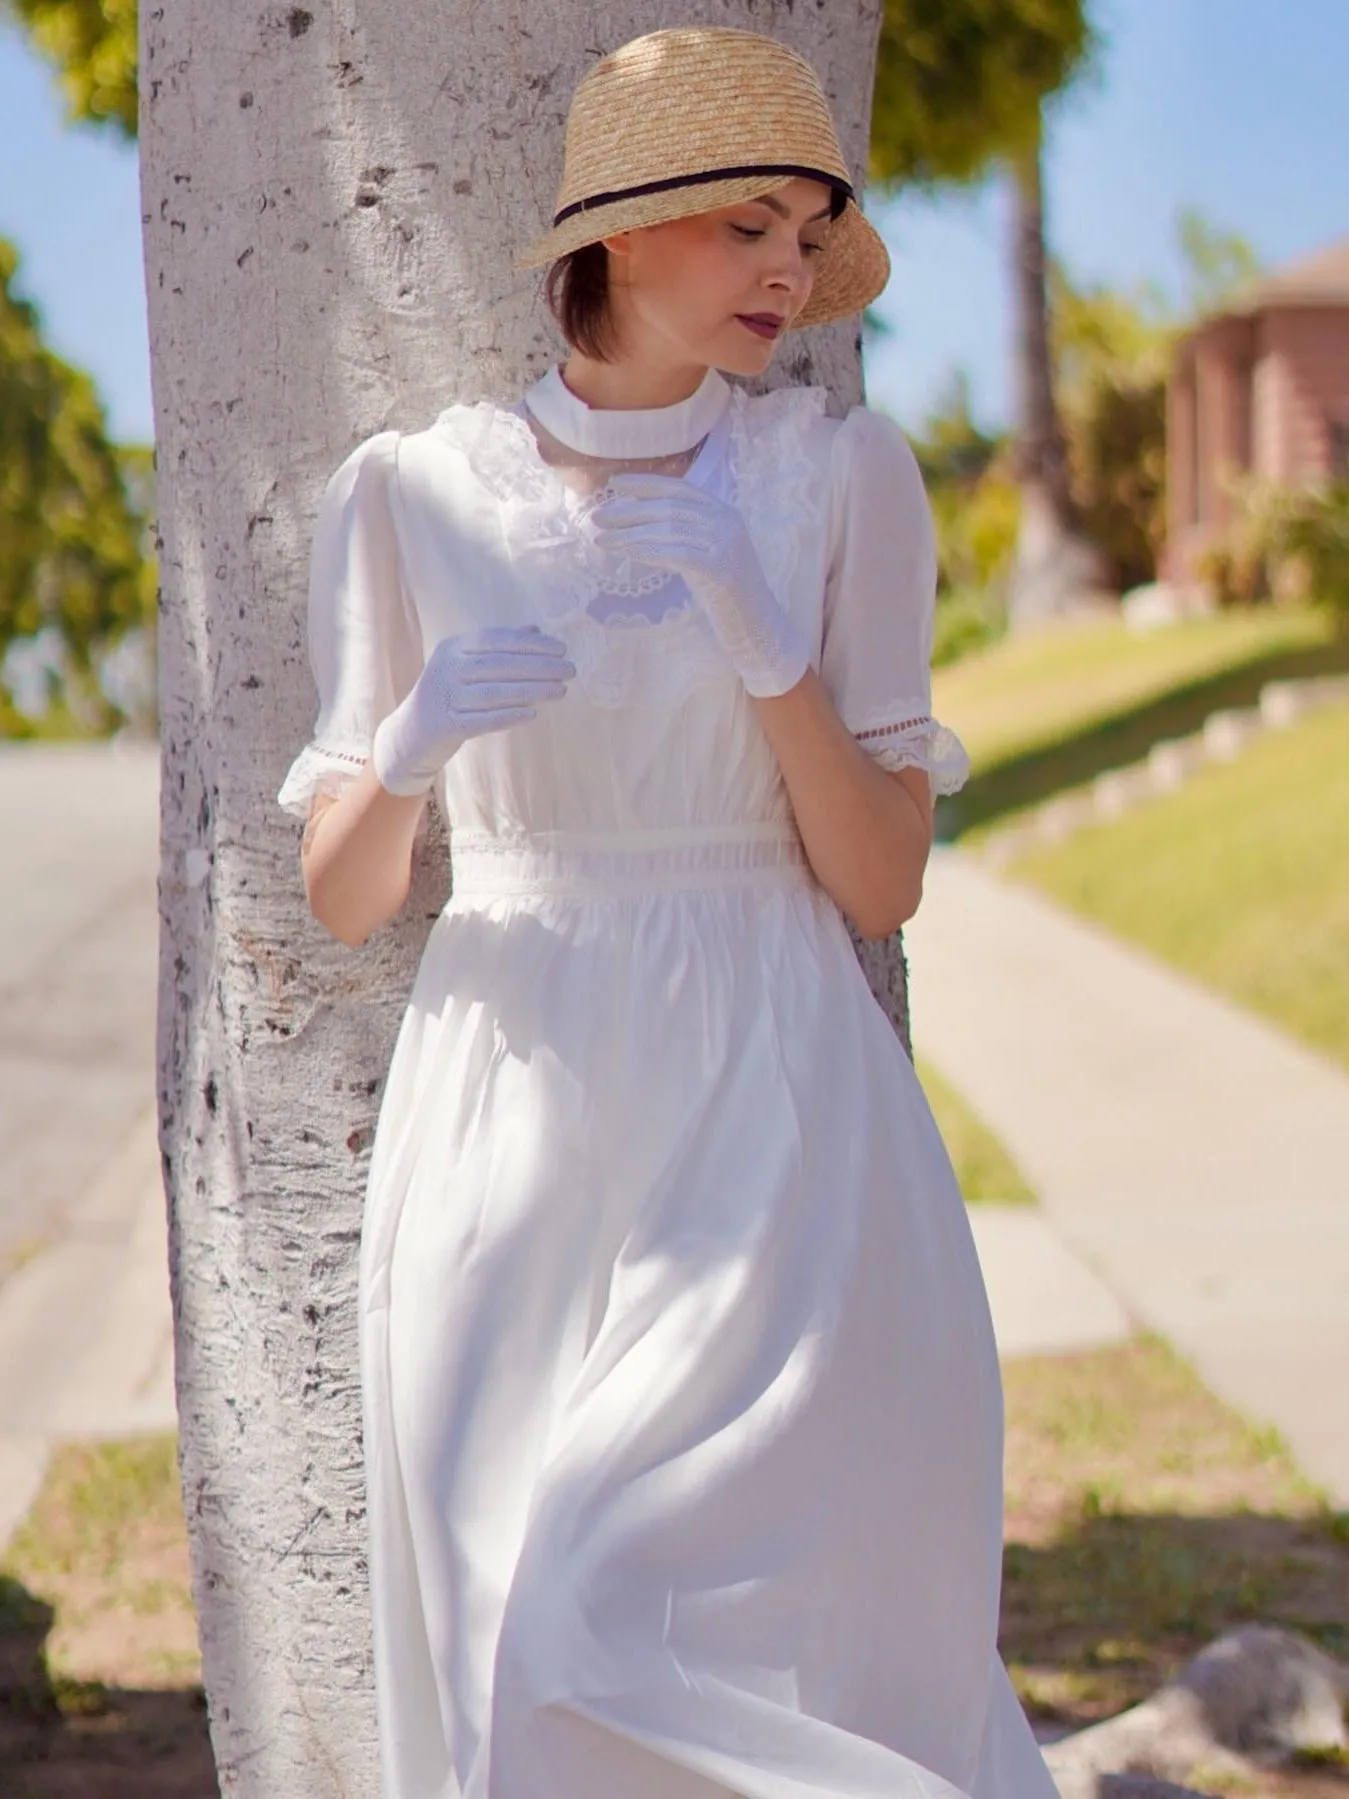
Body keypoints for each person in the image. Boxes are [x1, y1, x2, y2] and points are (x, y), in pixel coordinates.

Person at [278, 24, 1057, 1799]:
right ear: (619, 233)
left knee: (630, 1622)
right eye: (746, 226)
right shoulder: (408, 493)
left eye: (808, 233)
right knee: (504, 1643)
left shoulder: (841, 476)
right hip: (509, 1103)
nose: (789, 268)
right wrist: (407, 747)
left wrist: (770, 647)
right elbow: (342, 898)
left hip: (776, 1099)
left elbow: (879, 879)